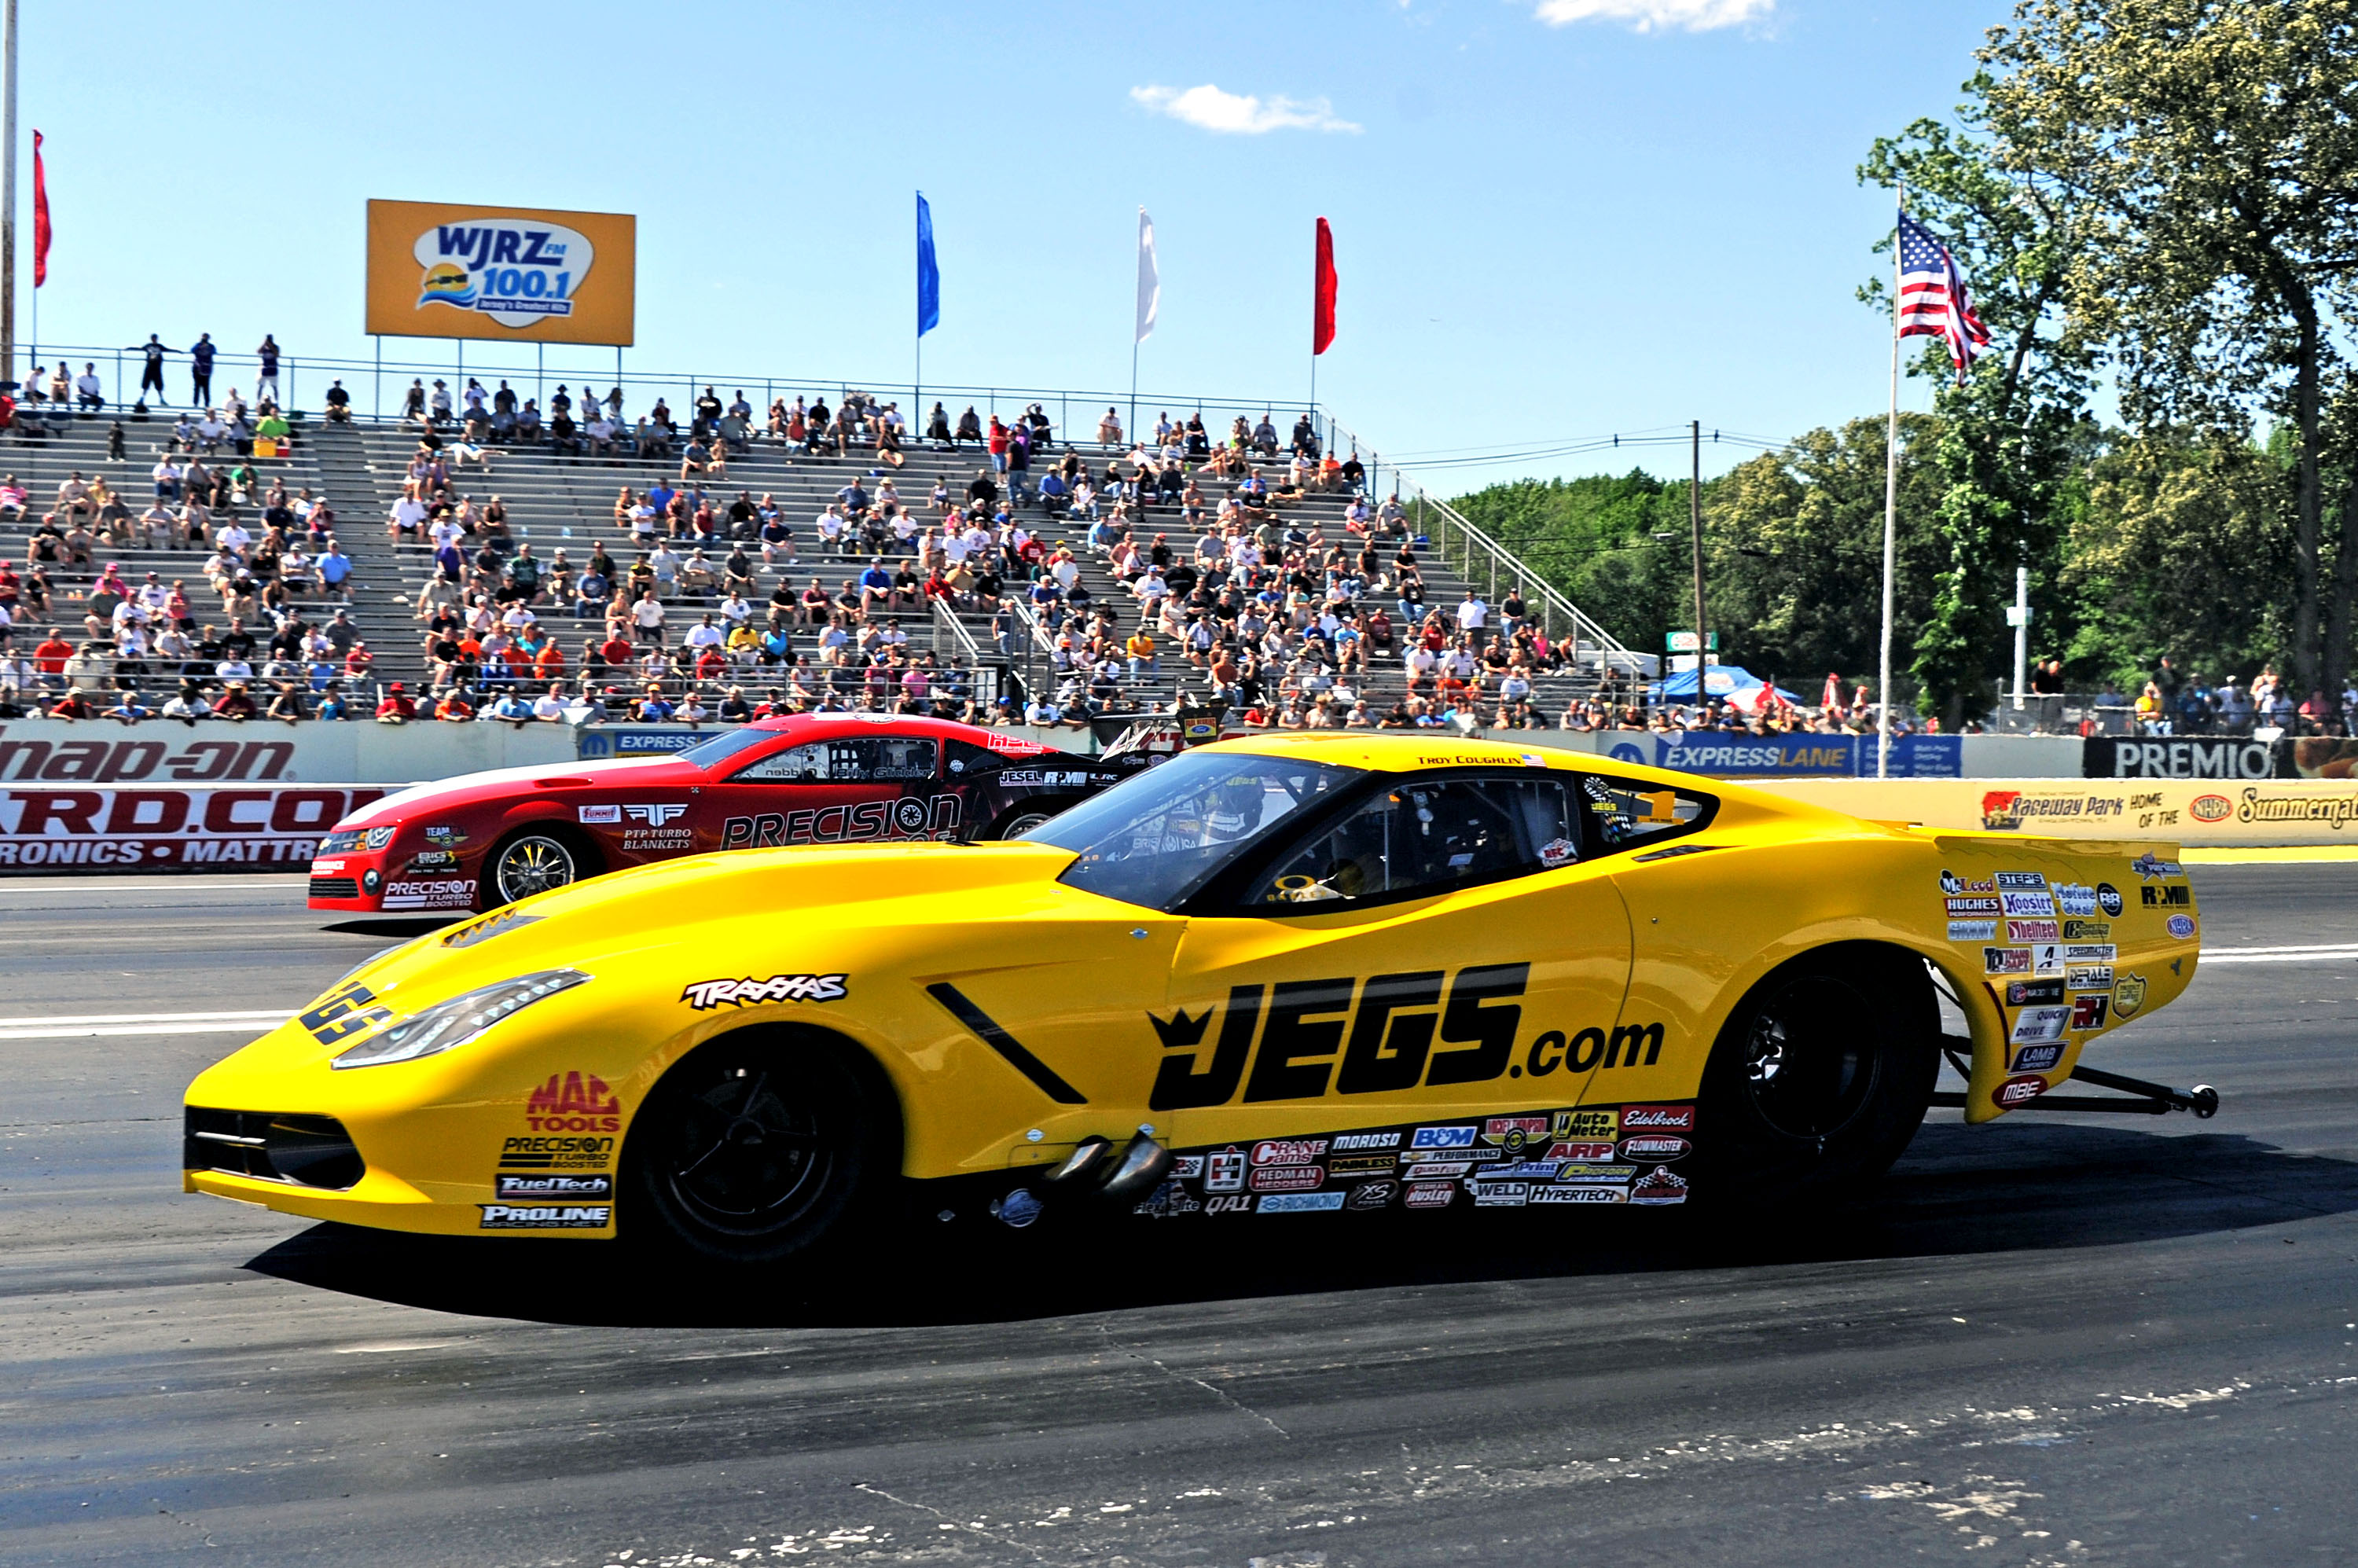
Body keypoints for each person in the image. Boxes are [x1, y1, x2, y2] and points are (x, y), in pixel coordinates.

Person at [189, 334, 216, 404]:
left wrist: (207, 347)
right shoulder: (197, 345)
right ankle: (195, 403)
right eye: (203, 337)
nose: (205, 339)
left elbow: (214, 351)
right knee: (197, 386)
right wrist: (200, 345)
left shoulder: (211, 346)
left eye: (206, 337)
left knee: (206, 387)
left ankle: (207, 404)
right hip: (197, 368)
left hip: (206, 368)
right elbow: (192, 350)